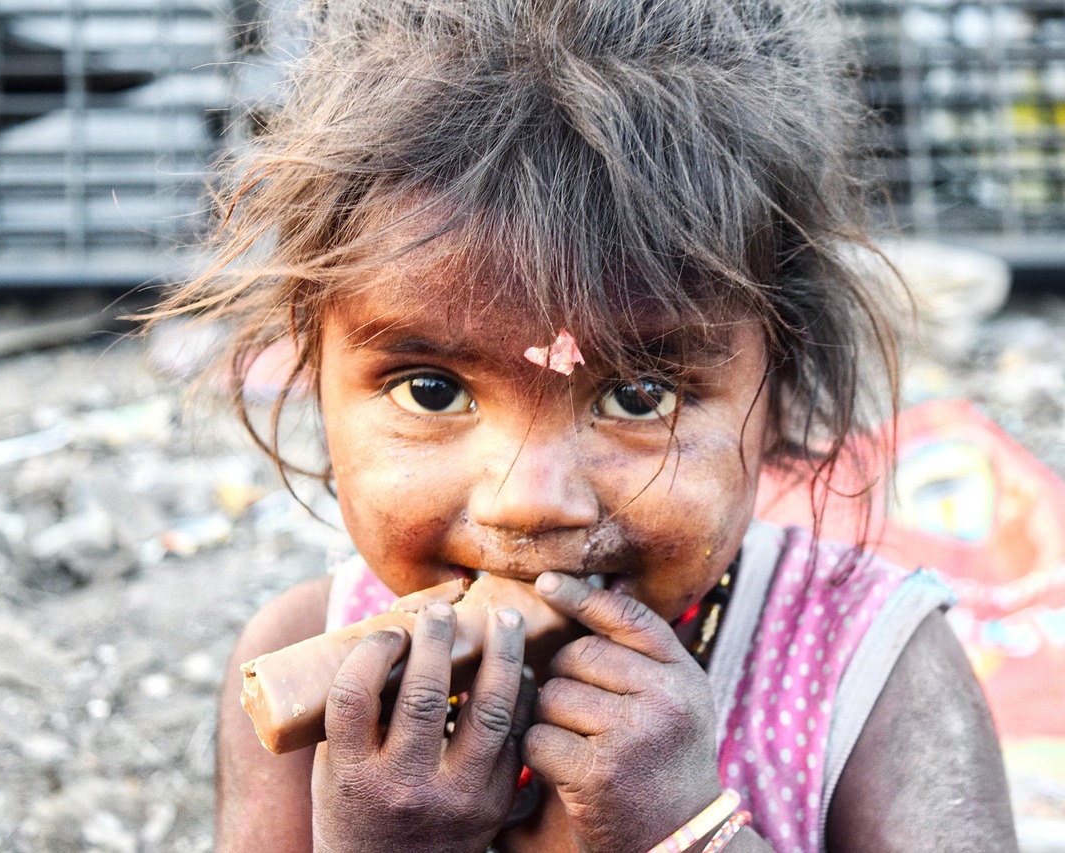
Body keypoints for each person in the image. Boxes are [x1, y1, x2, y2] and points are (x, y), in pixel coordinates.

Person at [158, 0, 1018, 849]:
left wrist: (688, 831)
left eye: (640, 396)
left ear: (784, 391)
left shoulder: (867, 666)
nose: (528, 500)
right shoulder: (308, 673)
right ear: (317, 374)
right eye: (430, 390)